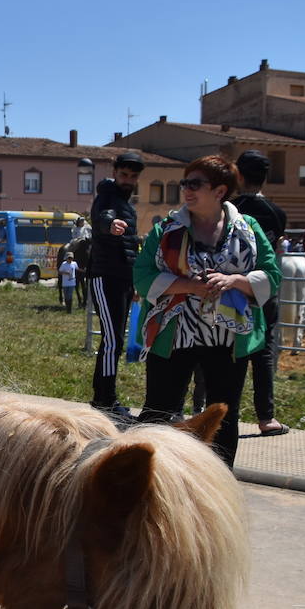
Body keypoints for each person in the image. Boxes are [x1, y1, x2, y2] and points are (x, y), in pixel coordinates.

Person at [134, 155, 280, 468]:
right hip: (173, 335)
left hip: (229, 339)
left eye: (195, 183)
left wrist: (235, 280)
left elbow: (272, 274)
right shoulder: (166, 230)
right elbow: (142, 277)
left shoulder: (249, 228)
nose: (186, 189)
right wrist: (188, 285)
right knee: (158, 411)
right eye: (185, 182)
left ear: (219, 191)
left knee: (224, 415)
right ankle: (149, 477)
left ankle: (219, 481)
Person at [232, 150, 290, 437]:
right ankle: (266, 418)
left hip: (232, 289)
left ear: (238, 175)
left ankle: (207, 408)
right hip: (264, 290)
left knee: (224, 350)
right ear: (265, 177)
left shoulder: (228, 207)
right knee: (263, 352)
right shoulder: (277, 213)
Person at [88, 151, 144, 415]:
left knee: (115, 341)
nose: (128, 180)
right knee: (112, 341)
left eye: (133, 176)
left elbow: (130, 247)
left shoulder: (126, 203)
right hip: (105, 276)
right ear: (115, 172)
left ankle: (105, 397)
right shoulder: (107, 197)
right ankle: (105, 399)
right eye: (124, 174)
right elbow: (101, 218)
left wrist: (134, 284)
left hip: (122, 278)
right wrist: (110, 224)